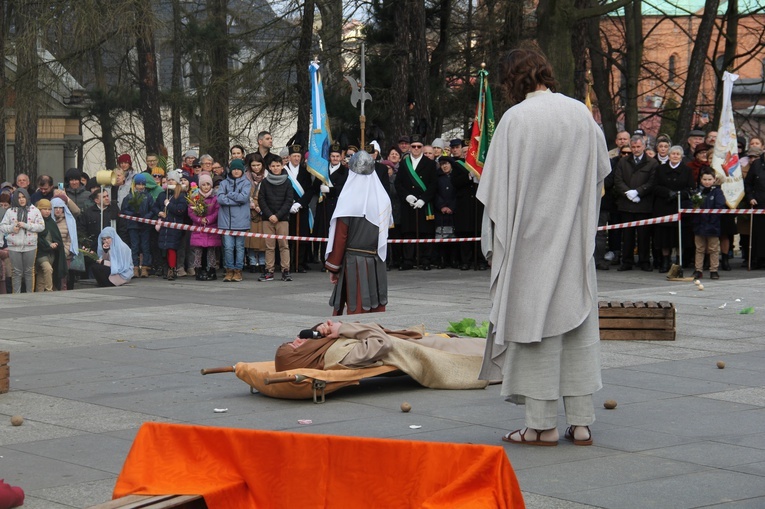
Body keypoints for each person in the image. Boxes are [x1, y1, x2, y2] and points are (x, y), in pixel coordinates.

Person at [477, 47, 610, 446]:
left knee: (534, 330)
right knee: (576, 325)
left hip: (529, 244)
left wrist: (493, 244)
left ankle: (541, 424)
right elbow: (601, 177)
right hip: (573, 240)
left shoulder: (515, 120)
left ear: (511, 80)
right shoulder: (580, 115)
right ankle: (583, 422)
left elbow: (495, 194)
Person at [273, 320, 488, 391]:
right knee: (491, 352)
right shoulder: (340, 358)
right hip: (431, 352)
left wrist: (324, 329)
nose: (298, 340)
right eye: (295, 346)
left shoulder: (324, 348)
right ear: (302, 357)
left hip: (419, 343)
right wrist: (345, 328)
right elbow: (380, 343)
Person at [325, 151, 392, 315]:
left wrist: (333, 267)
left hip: (354, 262)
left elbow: (340, 237)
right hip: (376, 261)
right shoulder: (383, 199)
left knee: (358, 308)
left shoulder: (348, 199)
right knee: (375, 307)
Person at [614, 135, 658, 271]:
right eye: (633, 147)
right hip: (626, 205)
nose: (636, 149)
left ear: (644, 147)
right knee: (627, 235)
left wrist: (639, 192)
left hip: (643, 204)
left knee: (644, 235)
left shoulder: (652, 163)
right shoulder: (623, 162)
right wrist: (628, 193)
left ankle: (644, 261)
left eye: (638, 147)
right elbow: (618, 180)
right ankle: (627, 261)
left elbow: (652, 182)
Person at [651, 145, 695, 272]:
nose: (675, 156)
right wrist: (667, 193)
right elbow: (655, 186)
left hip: (680, 206)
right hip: (663, 206)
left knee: (679, 236)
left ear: (681, 156)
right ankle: (665, 260)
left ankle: (678, 262)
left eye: (677, 154)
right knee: (664, 237)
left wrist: (679, 194)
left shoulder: (687, 170)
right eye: (673, 154)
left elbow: (691, 188)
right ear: (669, 156)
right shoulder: (660, 169)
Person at [0, 189, 45, 293]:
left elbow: (41, 226)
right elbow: (2, 226)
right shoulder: (10, 211)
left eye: (23, 197)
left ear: (27, 197)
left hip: (30, 245)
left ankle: (30, 294)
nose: (21, 200)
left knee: (29, 271)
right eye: (19, 197)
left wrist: (27, 226)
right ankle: (16, 294)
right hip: (14, 245)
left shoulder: (34, 210)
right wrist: (12, 228)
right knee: (16, 272)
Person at [257, 157, 294, 282]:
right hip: (268, 219)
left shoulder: (287, 182)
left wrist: (278, 216)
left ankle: (285, 271)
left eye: (278, 165)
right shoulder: (265, 182)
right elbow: (261, 199)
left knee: (284, 245)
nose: (275, 168)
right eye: (273, 166)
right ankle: (269, 271)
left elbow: (289, 200)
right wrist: (269, 215)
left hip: (282, 219)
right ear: (269, 168)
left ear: (282, 166)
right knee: (269, 246)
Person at [217, 159, 252, 282]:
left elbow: (243, 198)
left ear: (242, 170)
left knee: (240, 247)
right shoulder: (223, 183)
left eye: (238, 169)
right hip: (226, 222)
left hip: (241, 221)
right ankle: (229, 270)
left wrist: (230, 194)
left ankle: (238, 270)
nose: (236, 171)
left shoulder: (246, 183)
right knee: (228, 247)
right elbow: (220, 198)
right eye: (234, 169)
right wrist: (235, 200)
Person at [153, 170, 188, 281]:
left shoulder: (180, 195)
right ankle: (165, 268)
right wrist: (159, 212)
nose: (170, 181)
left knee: (171, 248)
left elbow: (180, 210)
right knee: (163, 248)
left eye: (173, 179)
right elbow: (155, 206)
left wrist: (169, 205)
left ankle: (172, 269)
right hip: (164, 226)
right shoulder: (162, 194)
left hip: (174, 226)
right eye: (169, 179)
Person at [693, 168, 726, 280]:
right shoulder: (697, 192)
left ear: (714, 180)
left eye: (709, 179)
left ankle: (714, 270)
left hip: (713, 225)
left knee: (713, 249)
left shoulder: (717, 192)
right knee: (699, 248)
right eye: (705, 179)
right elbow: (692, 205)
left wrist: (712, 220)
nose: (707, 182)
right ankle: (698, 270)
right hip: (699, 224)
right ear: (701, 180)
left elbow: (720, 206)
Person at [121, 173, 155, 278]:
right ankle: (134, 267)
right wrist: (133, 215)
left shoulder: (148, 196)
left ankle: (145, 267)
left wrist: (146, 217)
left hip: (145, 225)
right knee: (134, 246)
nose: (140, 187)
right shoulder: (129, 196)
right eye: (138, 184)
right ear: (134, 185)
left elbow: (152, 209)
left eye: (142, 184)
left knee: (145, 246)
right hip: (133, 225)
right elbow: (124, 210)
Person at [188, 173, 221, 281]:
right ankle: (199, 270)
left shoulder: (215, 198)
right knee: (198, 251)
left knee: (211, 251)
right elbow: (191, 212)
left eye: (208, 184)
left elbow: (217, 211)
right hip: (199, 229)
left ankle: (211, 270)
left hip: (211, 227)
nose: (206, 187)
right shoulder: (195, 198)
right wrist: (199, 219)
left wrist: (209, 219)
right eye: (203, 184)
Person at [33, 199, 67, 292]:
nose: (47, 211)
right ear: (39, 210)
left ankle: (38, 294)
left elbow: (57, 237)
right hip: (40, 253)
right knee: (48, 269)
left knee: (41, 275)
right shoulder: (36, 222)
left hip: (51, 253)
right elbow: (37, 238)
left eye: (49, 209)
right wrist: (48, 244)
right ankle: (49, 290)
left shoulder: (51, 222)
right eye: (44, 209)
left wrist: (56, 243)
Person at [51, 197, 78, 290]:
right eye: (55, 207)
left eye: (60, 207)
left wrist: (64, 252)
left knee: (63, 279)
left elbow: (71, 239)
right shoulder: (48, 221)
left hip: (65, 254)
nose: (58, 210)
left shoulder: (69, 221)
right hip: (51, 253)